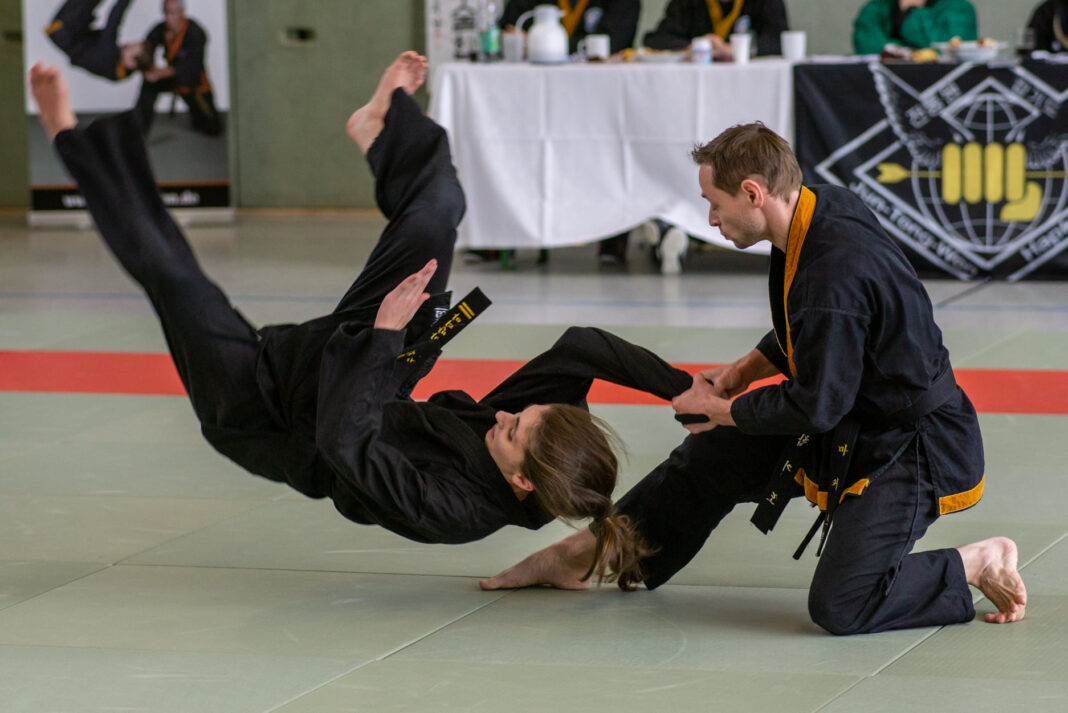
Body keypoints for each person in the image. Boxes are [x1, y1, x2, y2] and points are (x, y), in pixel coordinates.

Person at [27, 52, 698, 584]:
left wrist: (385, 333)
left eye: (514, 428)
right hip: (361, 364)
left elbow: (345, 440)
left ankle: (68, 138)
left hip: (269, 411)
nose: (504, 412)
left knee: (173, 276)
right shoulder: (532, 448)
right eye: (522, 413)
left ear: (521, 481)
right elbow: (582, 347)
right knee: (438, 216)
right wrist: (678, 386)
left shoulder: (454, 511)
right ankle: (378, 132)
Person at [481, 122, 1028, 635]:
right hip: (853, 412)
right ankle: (589, 554)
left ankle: (973, 563)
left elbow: (818, 403)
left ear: (751, 192)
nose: (711, 220)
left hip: (913, 446)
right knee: (708, 459)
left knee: (842, 603)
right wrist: (745, 370)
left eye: (714, 205)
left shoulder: (831, 275)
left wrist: (724, 410)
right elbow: (813, 333)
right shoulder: (820, 209)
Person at [134, 0, 222, 136]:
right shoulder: (160, 29)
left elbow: (193, 66)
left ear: (182, 12)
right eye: (166, 13)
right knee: (149, 86)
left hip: (193, 83)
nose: (169, 17)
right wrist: (148, 69)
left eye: (173, 13)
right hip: (172, 79)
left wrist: (161, 73)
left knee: (212, 128)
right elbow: (147, 48)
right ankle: (139, 130)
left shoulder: (196, 33)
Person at [642, 0, 789, 59]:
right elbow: (656, 39)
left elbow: (780, 39)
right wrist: (693, 46)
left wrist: (735, 49)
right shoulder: (686, 2)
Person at [45, 0, 148, 81]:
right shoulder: (120, 71)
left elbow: (114, 20)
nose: (125, 45)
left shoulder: (109, 59)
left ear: (131, 63)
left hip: (64, 29)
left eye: (128, 48)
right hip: (72, 31)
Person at [500, 0, 640, 55]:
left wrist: (537, 45)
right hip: (534, 83)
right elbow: (508, 32)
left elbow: (613, 42)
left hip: (601, 85)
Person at [853, 0, 977, 55]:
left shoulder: (960, 8)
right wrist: (917, 53)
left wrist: (910, 12)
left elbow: (949, 50)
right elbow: (867, 48)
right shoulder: (875, 8)